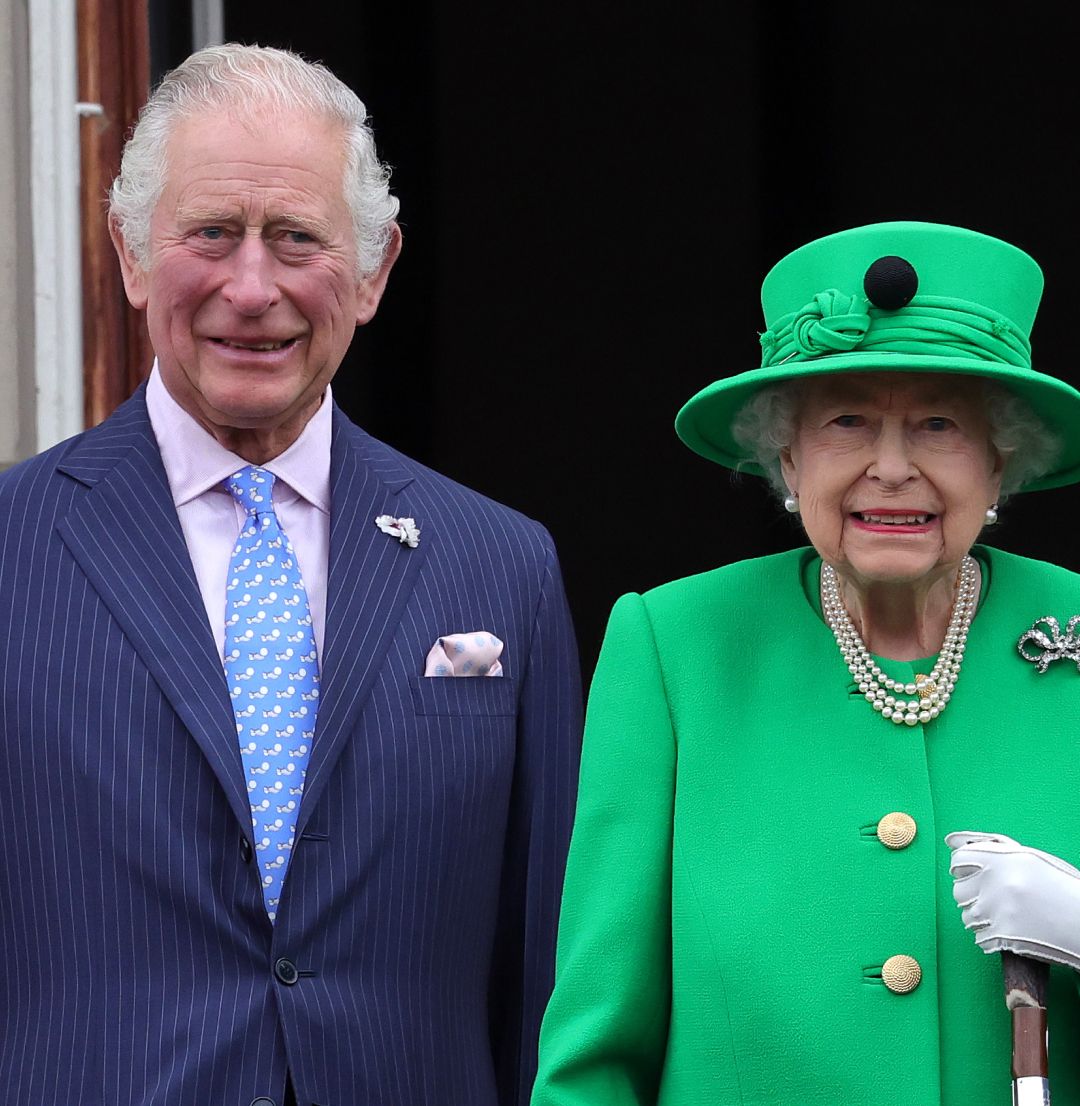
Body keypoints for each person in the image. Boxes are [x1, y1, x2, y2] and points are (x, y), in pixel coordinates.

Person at [0, 44, 581, 1106]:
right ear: (130, 254)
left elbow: (546, 971)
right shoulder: (11, 547)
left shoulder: (503, 565)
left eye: (298, 238)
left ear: (373, 272)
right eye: (211, 233)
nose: (252, 286)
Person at [530, 221, 1080, 1105]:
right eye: (846, 421)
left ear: (1000, 458)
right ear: (786, 456)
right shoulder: (676, 645)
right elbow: (596, 1054)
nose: (890, 468)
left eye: (938, 424)